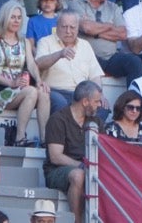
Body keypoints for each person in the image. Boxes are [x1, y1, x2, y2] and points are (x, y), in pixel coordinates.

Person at [0, 0, 50, 146]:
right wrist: (11, 83)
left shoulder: (24, 41)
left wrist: (38, 79)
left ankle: (45, 140)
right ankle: (19, 138)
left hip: (18, 89)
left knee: (43, 92)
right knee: (31, 92)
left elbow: (31, 64)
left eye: (19, 18)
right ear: (5, 18)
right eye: (13, 17)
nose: (16, 21)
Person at [43, 81, 102, 220]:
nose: (100, 105)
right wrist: (85, 166)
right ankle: (77, 220)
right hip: (57, 170)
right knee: (79, 175)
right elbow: (55, 157)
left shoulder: (97, 122)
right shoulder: (58, 119)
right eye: (97, 101)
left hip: (89, 168)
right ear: (85, 101)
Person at [35, 9, 103, 114]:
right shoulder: (45, 42)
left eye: (72, 27)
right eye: (64, 27)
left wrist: (99, 94)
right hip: (54, 91)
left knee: (102, 107)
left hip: (81, 94)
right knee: (61, 104)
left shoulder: (85, 45)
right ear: (57, 26)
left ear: (77, 28)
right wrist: (59, 54)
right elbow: (39, 64)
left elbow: (95, 75)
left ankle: (87, 131)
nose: (68, 31)